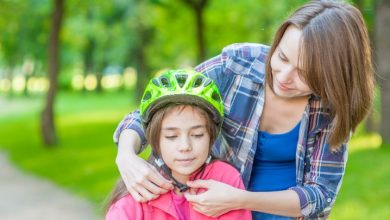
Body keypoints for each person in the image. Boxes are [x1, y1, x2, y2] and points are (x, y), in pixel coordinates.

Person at [113, 1, 375, 219]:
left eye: (305, 73)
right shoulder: (237, 67)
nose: (283, 76)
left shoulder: (331, 108)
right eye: (282, 57)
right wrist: (126, 153)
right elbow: (160, 108)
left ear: (331, 77)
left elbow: (320, 194)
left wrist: (239, 199)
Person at [106, 70, 252, 220]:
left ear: (211, 136)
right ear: (155, 139)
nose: (185, 146)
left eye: (197, 135)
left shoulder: (225, 178)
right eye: (171, 136)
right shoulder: (137, 187)